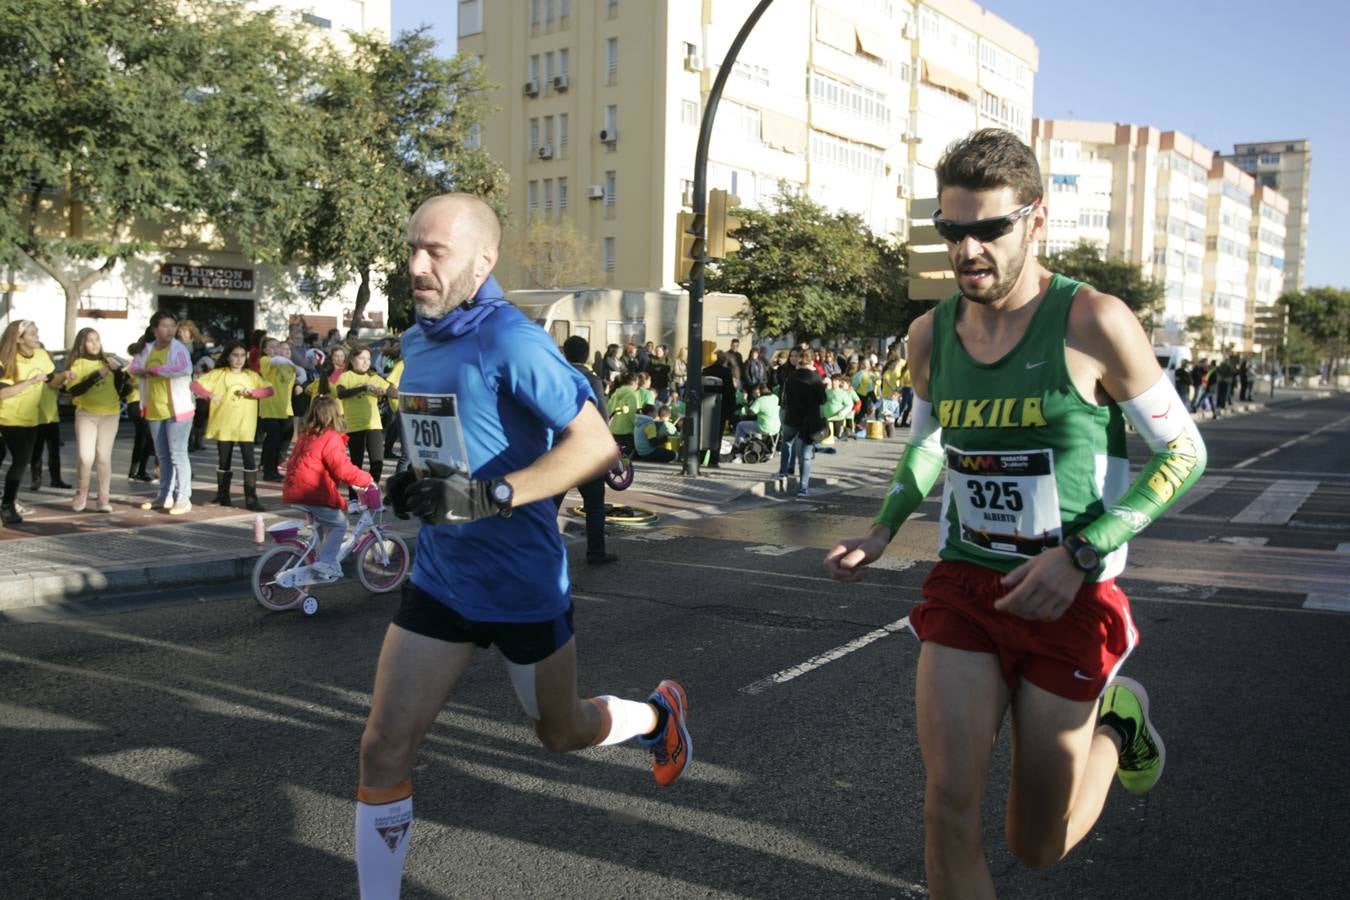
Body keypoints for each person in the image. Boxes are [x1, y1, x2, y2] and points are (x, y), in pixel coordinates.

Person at [823, 128, 1206, 898]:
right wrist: (882, 527)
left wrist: (1081, 554)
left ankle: (1116, 729)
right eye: (952, 230)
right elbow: (933, 443)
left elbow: (1186, 455)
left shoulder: (1093, 322)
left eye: (989, 229)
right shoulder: (930, 335)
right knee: (946, 810)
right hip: (967, 586)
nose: (967, 250)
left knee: (1037, 845)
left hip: (1071, 594)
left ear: (1035, 221)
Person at [360, 194, 691, 899]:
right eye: (412, 247)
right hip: (443, 581)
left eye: (435, 253)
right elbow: (446, 445)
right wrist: (411, 484)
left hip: (523, 587)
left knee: (561, 732)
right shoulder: (419, 339)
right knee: (383, 747)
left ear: (483, 261)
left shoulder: (511, 341)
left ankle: (659, 715)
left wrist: (492, 496)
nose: (416, 266)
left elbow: (597, 445)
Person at [279, 395, 379, 585]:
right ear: (335, 415)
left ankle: (319, 558)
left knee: (322, 525)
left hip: (295, 488)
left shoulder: (307, 434)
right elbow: (342, 468)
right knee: (339, 524)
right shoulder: (331, 437)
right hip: (312, 491)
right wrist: (366, 478)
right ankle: (326, 562)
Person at [191, 340, 274, 510]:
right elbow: (194, 385)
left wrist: (252, 392)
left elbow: (269, 390)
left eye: (243, 355)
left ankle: (251, 499)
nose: (239, 359)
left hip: (245, 425)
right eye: (235, 355)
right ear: (228, 356)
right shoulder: (219, 374)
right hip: (224, 424)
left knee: (249, 461)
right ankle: (223, 496)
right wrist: (209, 395)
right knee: (224, 461)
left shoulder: (251, 376)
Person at [556, 335, 617, 564]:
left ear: (565, 353)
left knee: (549, 502)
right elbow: (602, 416)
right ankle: (596, 551)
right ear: (587, 354)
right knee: (594, 504)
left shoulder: (556, 375)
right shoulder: (592, 380)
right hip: (586, 451)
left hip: (558, 448)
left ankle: (537, 550)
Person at [129, 311, 196, 515]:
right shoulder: (147, 349)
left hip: (179, 410)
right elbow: (133, 367)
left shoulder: (179, 349)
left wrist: (159, 370)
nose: (169, 330)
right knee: (163, 456)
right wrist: (141, 372)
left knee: (178, 454)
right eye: (164, 326)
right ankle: (164, 495)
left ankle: (183, 497)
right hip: (155, 409)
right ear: (154, 329)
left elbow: (184, 369)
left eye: (172, 326)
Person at [0, 321, 59, 524]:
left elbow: (51, 380)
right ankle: (7, 506)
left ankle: (9, 501)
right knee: (21, 460)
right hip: (7, 417)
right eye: (32, 334)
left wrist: (65, 378)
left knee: (22, 461)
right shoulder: (6, 359)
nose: (37, 337)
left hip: (31, 418)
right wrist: (30, 382)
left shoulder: (42, 356)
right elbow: (2, 393)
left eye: (37, 332)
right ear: (19, 339)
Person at [62, 328, 123, 513]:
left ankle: (103, 497)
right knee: (85, 456)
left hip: (110, 414)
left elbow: (120, 389)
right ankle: (82, 491)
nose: (95, 343)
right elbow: (75, 391)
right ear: (82, 343)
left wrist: (119, 372)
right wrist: (97, 375)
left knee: (104, 457)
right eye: (90, 340)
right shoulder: (77, 364)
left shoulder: (107, 362)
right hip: (86, 414)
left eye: (97, 339)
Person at [335, 344, 391, 490]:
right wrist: (365, 388)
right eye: (361, 358)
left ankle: (371, 492)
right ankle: (354, 499)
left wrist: (387, 391)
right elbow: (341, 394)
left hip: (374, 425)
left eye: (368, 358)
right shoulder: (345, 376)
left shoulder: (374, 377)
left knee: (377, 461)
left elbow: (392, 391)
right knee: (356, 464)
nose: (366, 362)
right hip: (354, 426)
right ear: (352, 360)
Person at [777, 346, 826, 497]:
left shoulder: (791, 376)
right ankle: (803, 488)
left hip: (792, 417)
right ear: (811, 360)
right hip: (808, 420)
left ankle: (784, 472)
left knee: (787, 442)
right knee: (805, 455)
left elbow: (786, 396)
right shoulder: (815, 377)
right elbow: (822, 399)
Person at [259, 338, 306, 481]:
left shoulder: (288, 366)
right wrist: (296, 367)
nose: (276, 350)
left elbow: (301, 374)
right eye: (273, 347)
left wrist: (299, 384)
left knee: (283, 440)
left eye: (288, 350)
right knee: (273, 440)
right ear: (266, 350)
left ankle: (274, 467)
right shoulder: (266, 360)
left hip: (286, 409)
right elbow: (279, 361)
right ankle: (268, 471)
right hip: (270, 408)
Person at [124, 341, 154, 483]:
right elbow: (129, 382)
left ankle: (134, 471)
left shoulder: (141, 365)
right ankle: (140, 470)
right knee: (148, 436)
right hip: (136, 404)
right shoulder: (133, 367)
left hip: (143, 404)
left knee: (141, 438)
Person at [606, 372, 641, 455]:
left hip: (613, 429)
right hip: (627, 431)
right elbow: (631, 413)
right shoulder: (631, 395)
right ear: (633, 382)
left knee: (617, 455)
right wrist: (637, 425)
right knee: (626, 456)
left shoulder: (615, 394)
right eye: (637, 383)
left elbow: (609, 409)